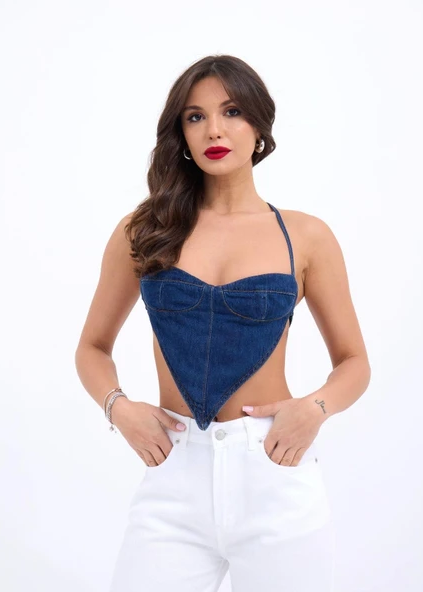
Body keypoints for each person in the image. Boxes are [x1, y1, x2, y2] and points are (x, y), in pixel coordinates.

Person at [75, 54, 371, 592]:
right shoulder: (143, 230)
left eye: (231, 111)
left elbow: (354, 362)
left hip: (276, 471)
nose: (214, 129)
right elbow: (92, 347)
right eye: (195, 116)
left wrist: (314, 409)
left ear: (259, 126)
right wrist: (119, 409)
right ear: (181, 134)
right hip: (173, 475)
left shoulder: (305, 236)